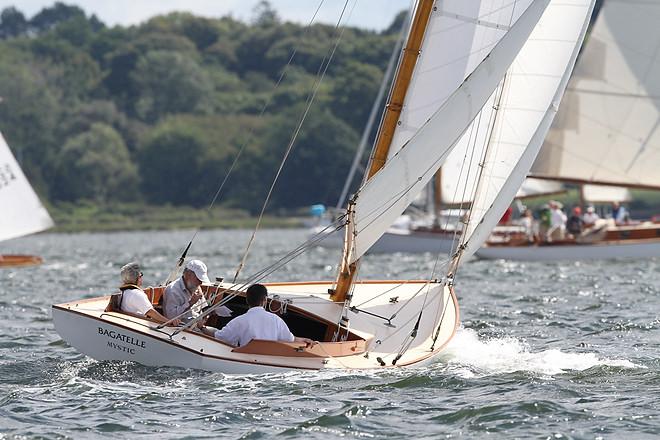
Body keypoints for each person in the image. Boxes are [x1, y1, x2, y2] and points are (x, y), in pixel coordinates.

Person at [203, 284, 316, 348]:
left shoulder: (240, 321)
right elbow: (291, 340)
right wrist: (305, 340)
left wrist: (201, 327)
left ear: (247, 300)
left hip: (245, 362)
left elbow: (220, 336)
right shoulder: (277, 320)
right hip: (270, 363)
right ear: (265, 300)